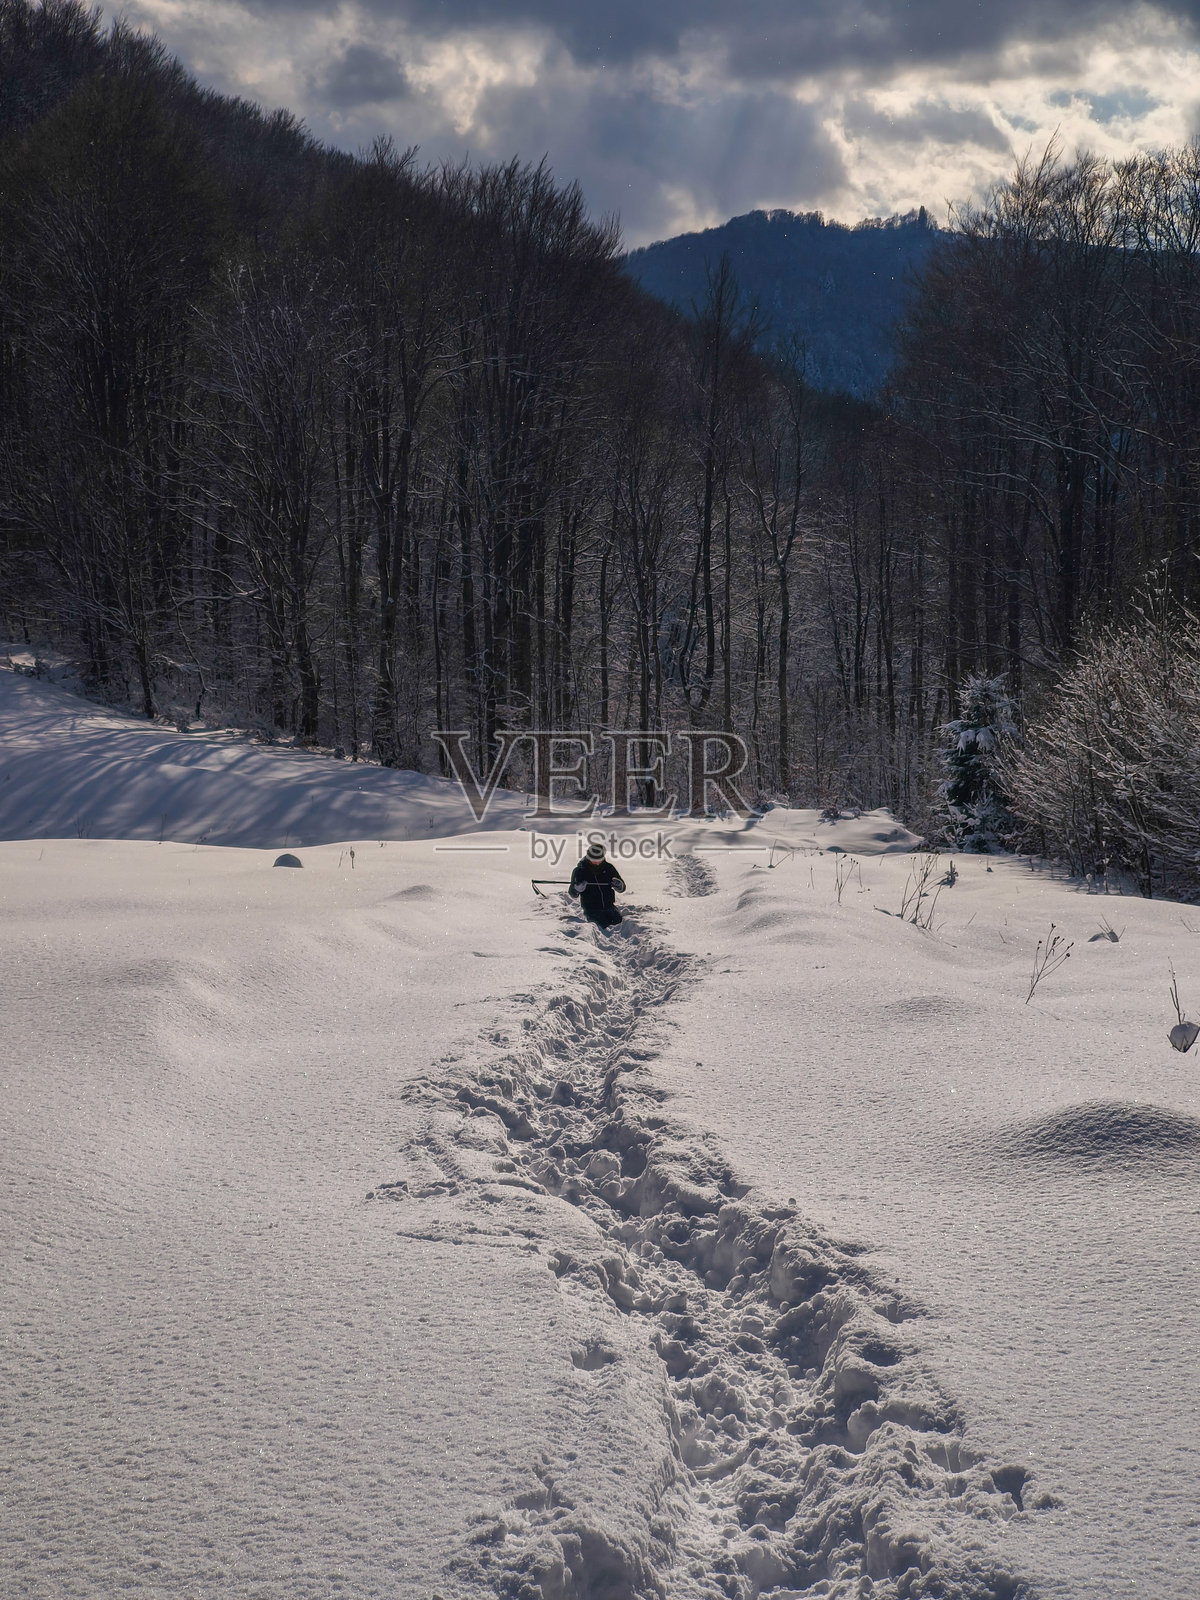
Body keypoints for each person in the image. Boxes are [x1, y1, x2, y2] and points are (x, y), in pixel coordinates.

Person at [569, 842, 626, 928]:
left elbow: (622, 888)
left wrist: (619, 885)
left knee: (619, 924)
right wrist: (577, 889)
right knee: (602, 926)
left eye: (599, 859)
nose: (596, 862)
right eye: (593, 859)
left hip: (609, 906)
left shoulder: (609, 868)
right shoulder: (579, 871)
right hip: (591, 910)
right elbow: (572, 893)